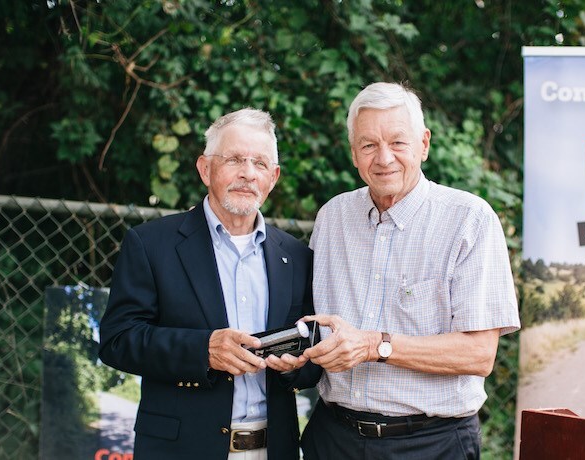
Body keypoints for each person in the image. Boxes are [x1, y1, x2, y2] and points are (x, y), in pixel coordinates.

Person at [296, 82, 521, 459]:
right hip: (333, 438)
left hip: (430, 443)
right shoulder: (332, 217)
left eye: (398, 142)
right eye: (368, 145)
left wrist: (374, 345)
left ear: (424, 144)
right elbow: (313, 324)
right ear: (354, 154)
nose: (384, 158)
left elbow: (478, 355)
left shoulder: (469, 219)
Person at [98, 108, 316, 460]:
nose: (247, 173)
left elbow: (313, 358)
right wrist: (204, 350)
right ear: (205, 169)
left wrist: (297, 366)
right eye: (234, 159)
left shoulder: (296, 255)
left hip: (274, 449)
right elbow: (117, 340)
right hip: (182, 449)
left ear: (273, 177)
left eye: (260, 164)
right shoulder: (151, 244)